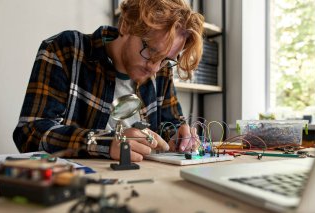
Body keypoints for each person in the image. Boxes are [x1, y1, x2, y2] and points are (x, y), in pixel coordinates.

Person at [13, 0, 204, 162]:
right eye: (151, 52)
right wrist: (104, 142)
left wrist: (179, 136)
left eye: (165, 60)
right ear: (126, 25)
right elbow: (29, 132)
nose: (154, 68)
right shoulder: (67, 50)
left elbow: (171, 124)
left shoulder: (161, 71)